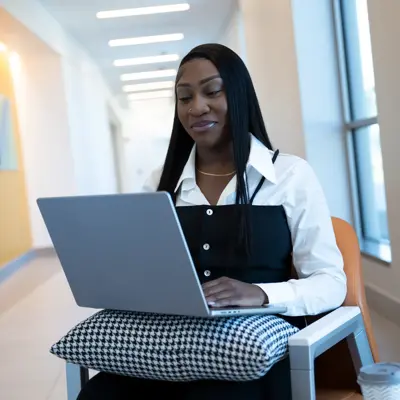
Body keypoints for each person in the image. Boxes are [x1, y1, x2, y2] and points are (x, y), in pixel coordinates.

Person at [77, 43, 346, 399]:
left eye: (212, 91)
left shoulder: (290, 175)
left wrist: (262, 293)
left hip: (253, 357)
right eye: (184, 98)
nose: (196, 107)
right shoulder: (162, 183)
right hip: (173, 348)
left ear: (237, 94)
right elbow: (146, 273)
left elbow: (331, 282)